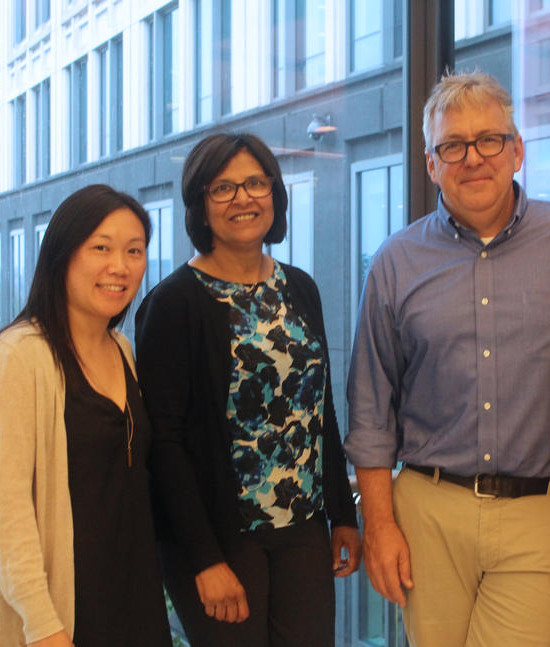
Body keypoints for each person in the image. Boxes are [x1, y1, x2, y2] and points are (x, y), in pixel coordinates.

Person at [344, 71, 550, 647]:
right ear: (431, 164)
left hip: (545, 514)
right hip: (428, 513)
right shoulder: (395, 262)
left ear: (517, 151)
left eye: (489, 140)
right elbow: (371, 407)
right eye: (453, 145)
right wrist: (380, 524)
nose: (473, 158)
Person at [135, 132, 361, 647]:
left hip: (303, 528)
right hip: (220, 537)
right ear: (200, 204)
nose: (243, 198)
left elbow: (319, 410)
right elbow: (164, 444)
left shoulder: (299, 287)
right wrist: (204, 559)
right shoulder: (173, 304)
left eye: (256, 183)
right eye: (223, 188)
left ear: (274, 194)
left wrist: (342, 514)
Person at [0, 185, 171, 647]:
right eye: (101, 248)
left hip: (131, 593)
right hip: (58, 611)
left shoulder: (122, 349)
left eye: (134, 251)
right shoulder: (17, 357)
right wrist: (42, 625)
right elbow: (5, 509)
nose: (120, 266)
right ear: (62, 256)